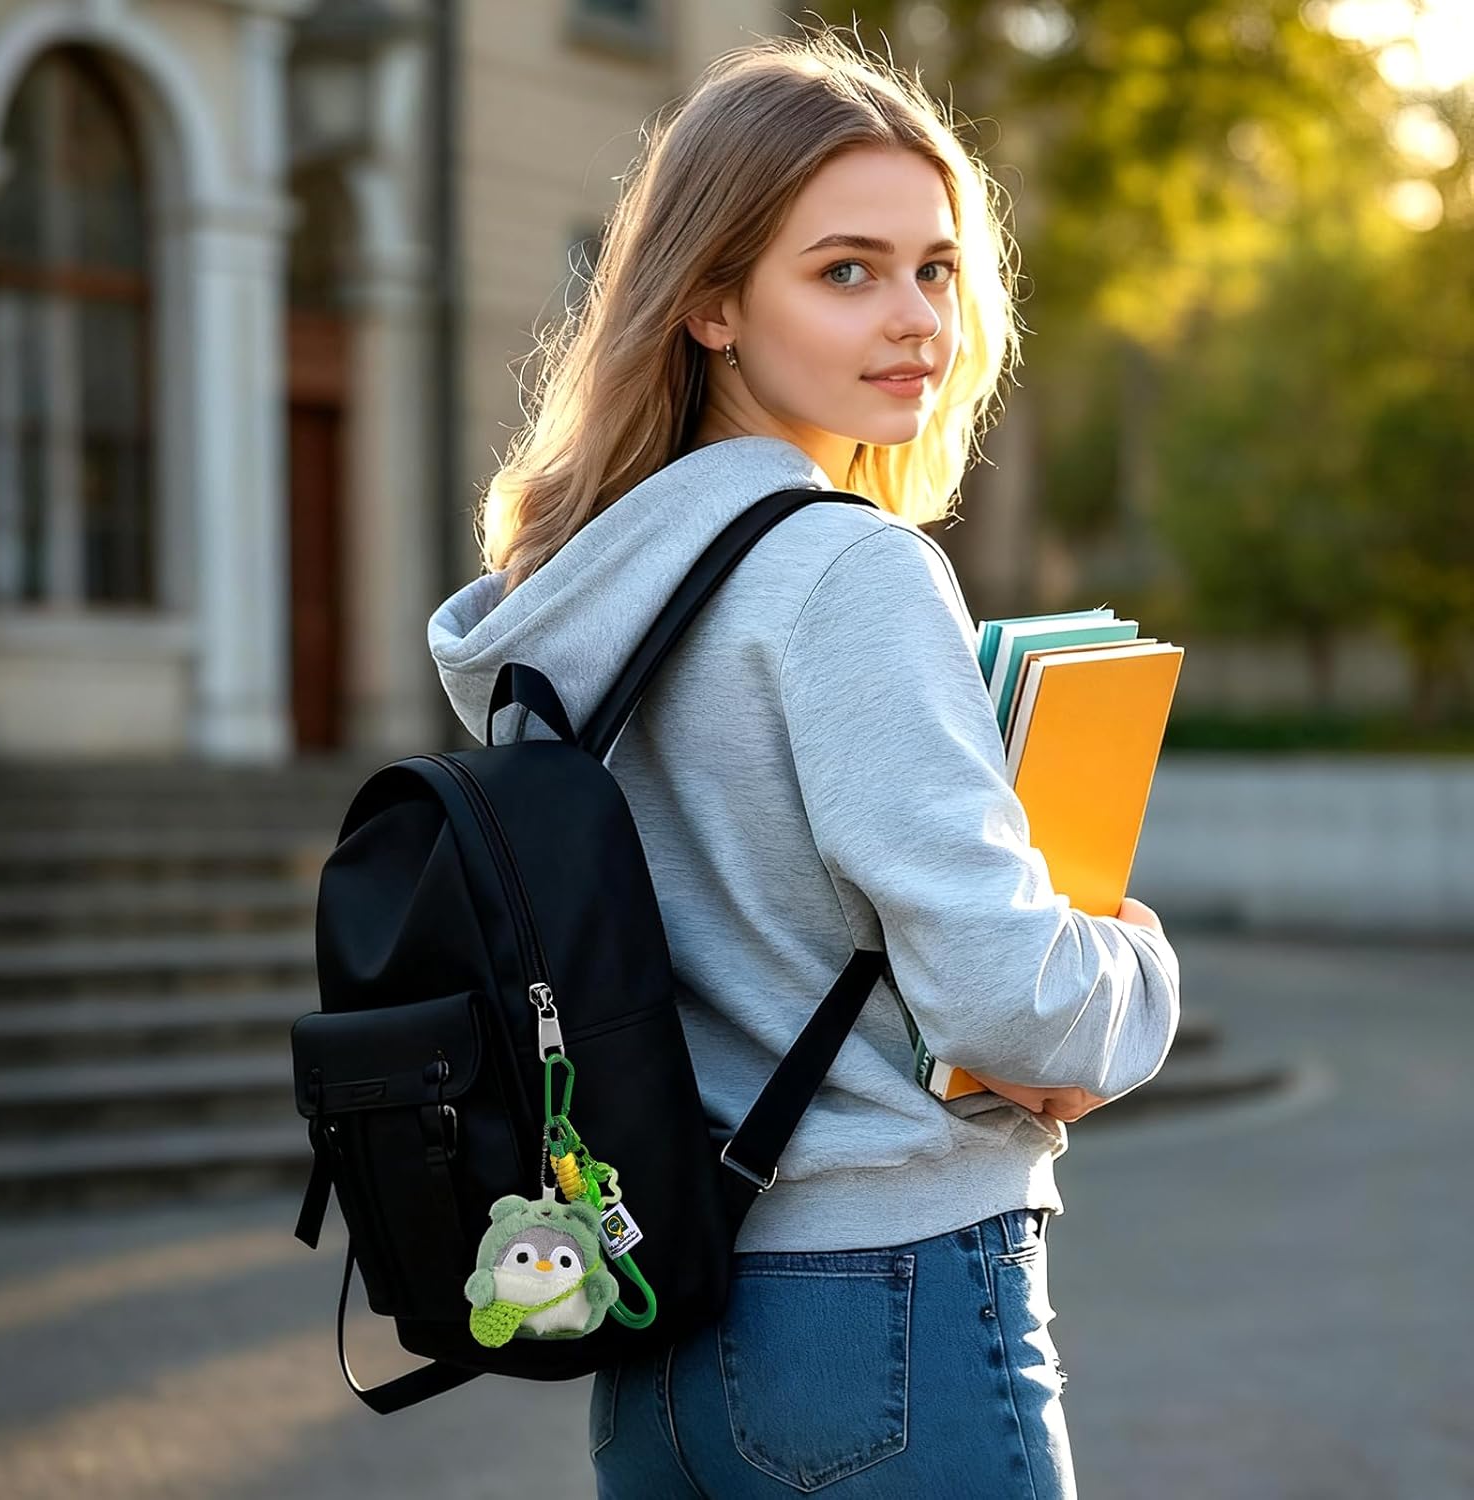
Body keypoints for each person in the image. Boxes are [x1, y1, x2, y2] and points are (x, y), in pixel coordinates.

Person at [427, 24, 1180, 1499]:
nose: (913, 319)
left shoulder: (575, 596)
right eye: (846, 271)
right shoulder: (847, 572)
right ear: (711, 302)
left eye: (936, 268)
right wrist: (1138, 973)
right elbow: (1002, 998)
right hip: (887, 1303)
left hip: (658, 1326)